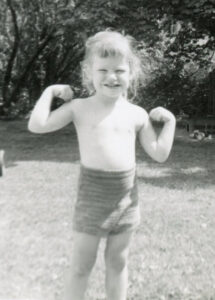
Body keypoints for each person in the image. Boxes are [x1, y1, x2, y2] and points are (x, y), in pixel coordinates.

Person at [28, 30, 176, 300]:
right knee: (81, 266)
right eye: (103, 70)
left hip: (126, 199)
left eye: (119, 70)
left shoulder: (137, 114)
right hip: (92, 198)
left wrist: (170, 123)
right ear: (89, 72)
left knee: (118, 262)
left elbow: (159, 154)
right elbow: (37, 125)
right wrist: (50, 92)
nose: (111, 77)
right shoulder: (79, 108)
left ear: (131, 72)